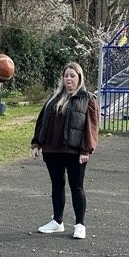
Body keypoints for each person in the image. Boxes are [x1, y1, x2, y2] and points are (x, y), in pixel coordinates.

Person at [30, 61, 99, 240]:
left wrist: (86, 150)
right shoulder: (54, 98)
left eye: (72, 76)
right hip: (52, 150)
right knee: (57, 185)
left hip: (75, 152)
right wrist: (36, 144)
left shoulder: (87, 98)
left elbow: (91, 127)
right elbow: (42, 122)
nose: (68, 79)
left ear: (79, 78)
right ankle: (57, 221)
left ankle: (80, 224)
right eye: (66, 76)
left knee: (77, 187)